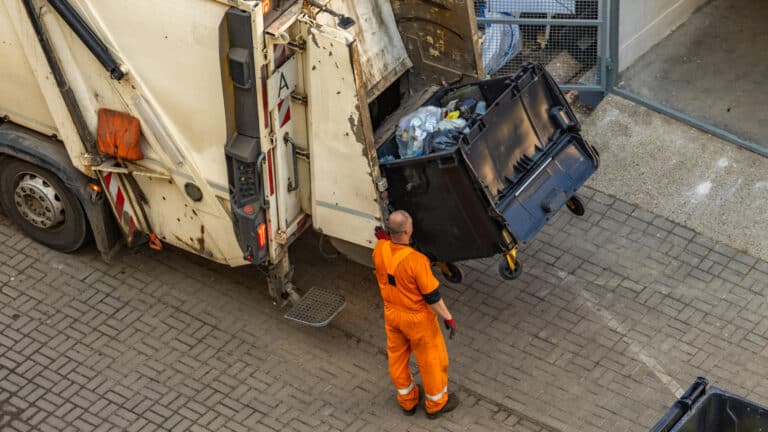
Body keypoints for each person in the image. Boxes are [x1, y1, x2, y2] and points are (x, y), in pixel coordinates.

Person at [372, 210, 459, 419]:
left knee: (397, 358)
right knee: (431, 360)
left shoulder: (380, 249)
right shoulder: (417, 261)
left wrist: (386, 242)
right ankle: (436, 403)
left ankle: (407, 400)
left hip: (392, 315)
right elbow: (432, 297)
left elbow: (387, 262)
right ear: (408, 230)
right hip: (417, 320)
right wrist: (448, 317)